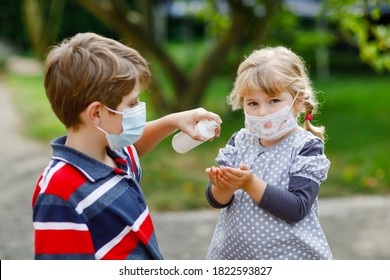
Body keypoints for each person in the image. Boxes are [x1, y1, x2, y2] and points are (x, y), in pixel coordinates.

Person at [32, 32, 222, 260]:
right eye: (132, 103)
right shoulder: (59, 193)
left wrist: (173, 121)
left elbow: (135, 148)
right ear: (97, 113)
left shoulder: (115, 155)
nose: (139, 108)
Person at [205, 46, 332, 260]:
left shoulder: (306, 147)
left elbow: (297, 209)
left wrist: (249, 183)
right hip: (234, 258)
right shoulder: (240, 140)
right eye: (253, 103)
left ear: (298, 101)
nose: (263, 112)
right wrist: (222, 186)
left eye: (274, 101)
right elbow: (217, 201)